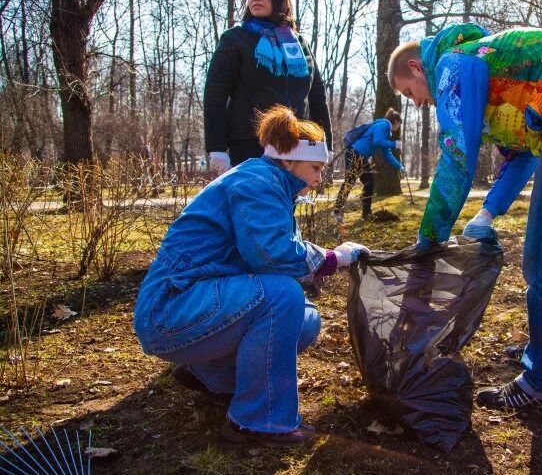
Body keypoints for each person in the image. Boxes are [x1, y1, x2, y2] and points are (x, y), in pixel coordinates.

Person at [388, 23, 542, 409]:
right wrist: (487, 214)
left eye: (409, 92)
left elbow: (457, 155)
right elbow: (523, 153)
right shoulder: (489, 68)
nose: (417, 103)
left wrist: (430, 239)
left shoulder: (455, 63)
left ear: (419, 68)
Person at [133, 105, 369, 447]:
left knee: (305, 319)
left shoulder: (267, 183)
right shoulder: (256, 183)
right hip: (169, 311)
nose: (319, 179)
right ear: (289, 161)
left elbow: (271, 249)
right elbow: (271, 255)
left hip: (189, 306)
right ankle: (259, 420)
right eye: (315, 168)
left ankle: (212, 375)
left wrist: (326, 260)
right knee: (283, 296)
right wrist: (333, 259)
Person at [204, 0, 332, 173]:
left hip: (295, 144)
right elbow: (214, 94)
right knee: (254, 203)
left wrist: (325, 143)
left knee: (285, 204)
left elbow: (317, 96)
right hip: (249, 144)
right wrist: (217, 147)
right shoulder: (235, 40)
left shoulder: (298, 44)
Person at [333, 108, 405, 223]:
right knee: (351, 182)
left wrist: (400, 166)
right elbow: (377, 141)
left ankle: (365, 213)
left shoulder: (385, 131)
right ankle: (339, 211)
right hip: (355, 153)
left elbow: (387, 154)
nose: (398, 128)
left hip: (359, 156)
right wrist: (393, 144)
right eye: (399, 125)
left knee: (367, 183)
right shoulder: (383, 125)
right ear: (395, 121)